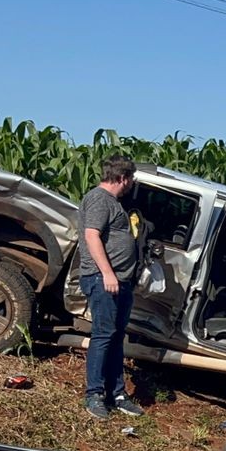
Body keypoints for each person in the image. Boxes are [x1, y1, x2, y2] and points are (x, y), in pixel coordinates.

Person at [79, 154, 145, 421]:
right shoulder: (99, 199)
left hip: (119, 281)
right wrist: (107, 273)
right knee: (103, 336)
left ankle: (117, 394)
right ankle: (94, 395)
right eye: (130, 180)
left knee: (116, 338)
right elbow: (91, 235)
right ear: (122, 178)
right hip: (103, 278)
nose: (130, 185)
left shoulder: (113, 203)